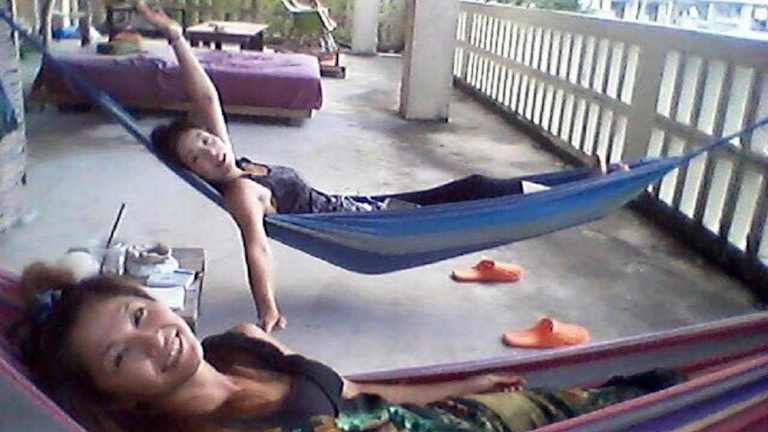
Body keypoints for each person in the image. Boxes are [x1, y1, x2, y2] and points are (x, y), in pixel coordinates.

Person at [137, 2, 625, 332]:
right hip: (372, 222)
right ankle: (584, 187)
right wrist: (268, 308)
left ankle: (582, 183)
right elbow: (256, 247)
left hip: (368, 207)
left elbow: (207, 97)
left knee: (475, 188)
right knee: (477, 189)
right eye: (197, 157)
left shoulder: (233, 159)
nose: (210, 150)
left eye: (205, 139)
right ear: (197, 172)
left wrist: (176, 37)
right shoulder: (242, 193)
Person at [19, 262, 685, 432]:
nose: (153, 339)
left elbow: (359, 389)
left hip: (456, 418)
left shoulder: (238, 344)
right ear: (113, 398)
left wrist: (461, 386)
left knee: (653, 392)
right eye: (120, 356)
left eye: (139, 314)